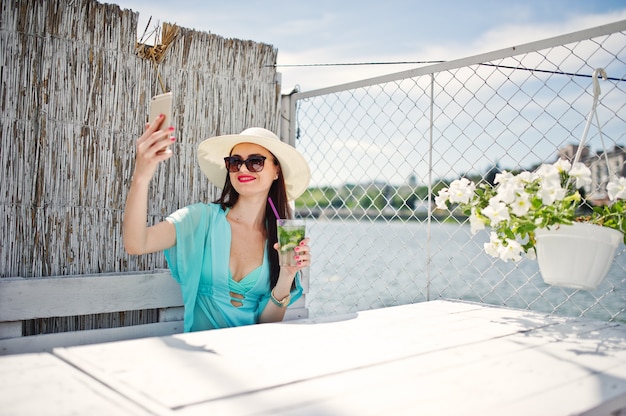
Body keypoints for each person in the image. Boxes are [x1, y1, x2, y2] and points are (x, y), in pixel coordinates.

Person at [123, 114, 312, 332]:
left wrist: (287, 275)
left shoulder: (281, 239)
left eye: (255, 162)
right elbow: (136, 243)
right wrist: (141, 176)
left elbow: (265, 326)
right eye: (235, 162)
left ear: (276, 171)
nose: (243, 169)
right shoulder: (201, 219)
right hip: (203, 356)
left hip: (250, 354)